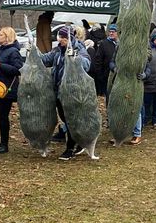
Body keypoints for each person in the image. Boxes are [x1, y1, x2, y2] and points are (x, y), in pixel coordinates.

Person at [40, 26, 91, 160]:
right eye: (60, 37)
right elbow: (45, 60)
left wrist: (75, 57)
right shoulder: (57, 50)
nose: (61, 40)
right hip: (58, 92)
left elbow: (87, 64)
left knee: (71, 121)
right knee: (65, 119)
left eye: (64, 37)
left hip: (72, 93)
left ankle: (70, 148)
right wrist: (33, 52)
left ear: (70, 38)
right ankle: (80, 142)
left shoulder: (78, 49)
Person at [93, 24, 119, 97]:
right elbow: (98, 60)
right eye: (110, 31)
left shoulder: (120, 44)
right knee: (108, 96)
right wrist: (100, 75)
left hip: (118, 76)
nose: (111, 33)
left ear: (117, 33)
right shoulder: (104, 44)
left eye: (113, 32)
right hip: (106, 76)